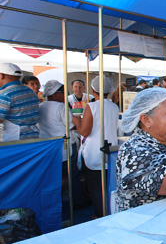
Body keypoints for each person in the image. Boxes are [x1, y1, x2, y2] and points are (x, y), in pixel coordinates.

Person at [72, 76, 119, 218]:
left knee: (95, 187)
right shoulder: (114, 106)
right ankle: (109, 212)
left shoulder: (91, 106)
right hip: (110, 150)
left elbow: (85, 131)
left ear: (93, 89)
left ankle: (100, 215)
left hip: (94, 151)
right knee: (108, 186)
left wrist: (77, 121)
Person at [38, 80, 90, 209]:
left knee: (52, 177)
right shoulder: (61, 107)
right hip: (65, 145)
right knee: (73, 175)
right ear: (55, 94)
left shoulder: (41, 106)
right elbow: (71, 126)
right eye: (62, 92)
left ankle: (52, 203)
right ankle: (79, 201)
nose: (63, 95)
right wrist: (80, 122)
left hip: (49, 146)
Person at [0, 63, 39, 141]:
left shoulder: (5, 94)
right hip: (33, 136)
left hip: (15, 138)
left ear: (1, 75)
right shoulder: (31, 92)